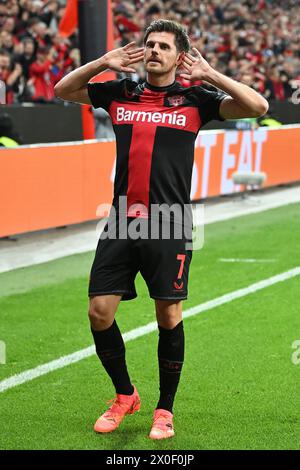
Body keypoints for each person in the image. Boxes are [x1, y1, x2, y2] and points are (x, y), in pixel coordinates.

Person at [54, 19, 268, 440]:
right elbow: (63, 90)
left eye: (164, 46)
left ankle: (164, 410)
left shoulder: (197, 99)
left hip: (169, 222)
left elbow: (257, 107)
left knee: (168, 314)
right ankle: (125, 395)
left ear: (178, 56)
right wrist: (102, 62)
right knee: (99, 312)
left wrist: (211, 74)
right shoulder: (122, 92)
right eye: (150, 44)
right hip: (119, 219)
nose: (154, 51)